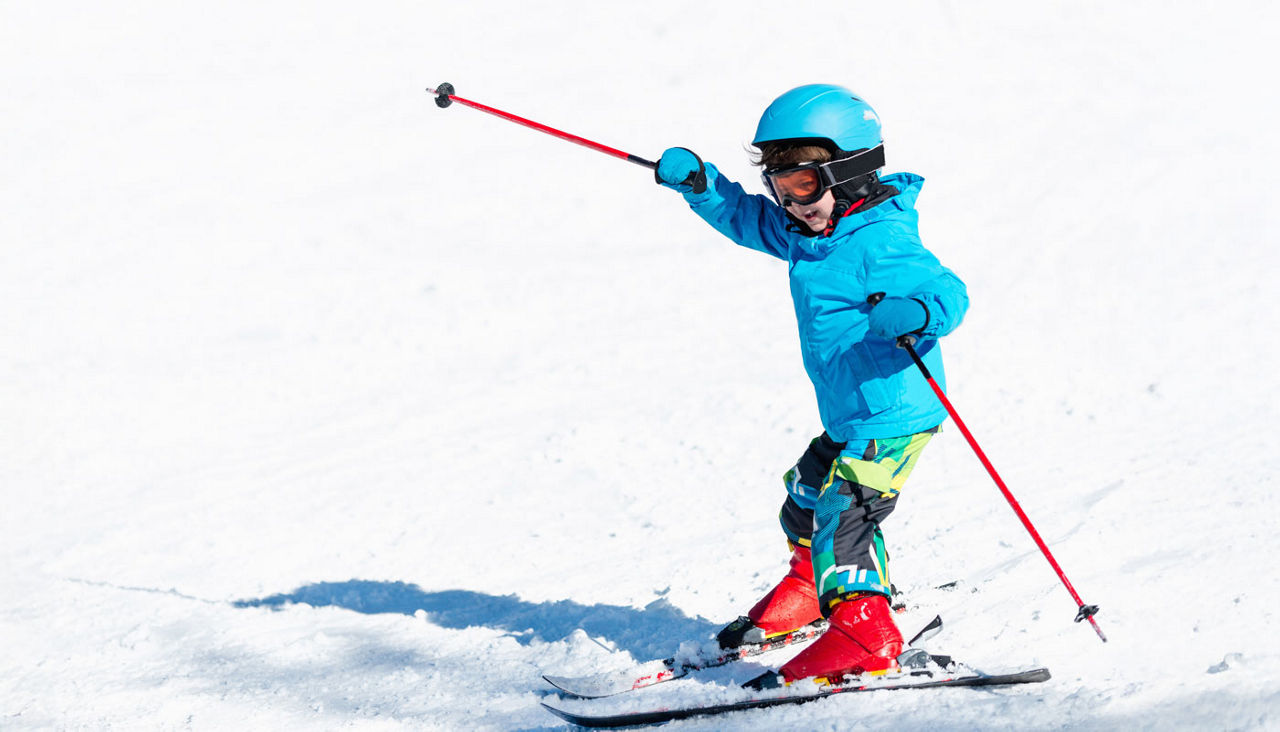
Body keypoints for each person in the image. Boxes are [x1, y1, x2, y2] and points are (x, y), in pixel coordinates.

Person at [654, 84, 969, 687]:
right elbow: (747, 219)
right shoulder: (811, 234)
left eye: (802, 185)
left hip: (894, 415)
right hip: (850, 412)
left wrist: (919, 313)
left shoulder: (882, 240)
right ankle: (808, 586)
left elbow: (948, 292)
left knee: (843, 513)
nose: (792, 204)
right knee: (803, 496)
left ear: (850, 172)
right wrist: (702, 186)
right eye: (781, 188)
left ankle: (864, 633)